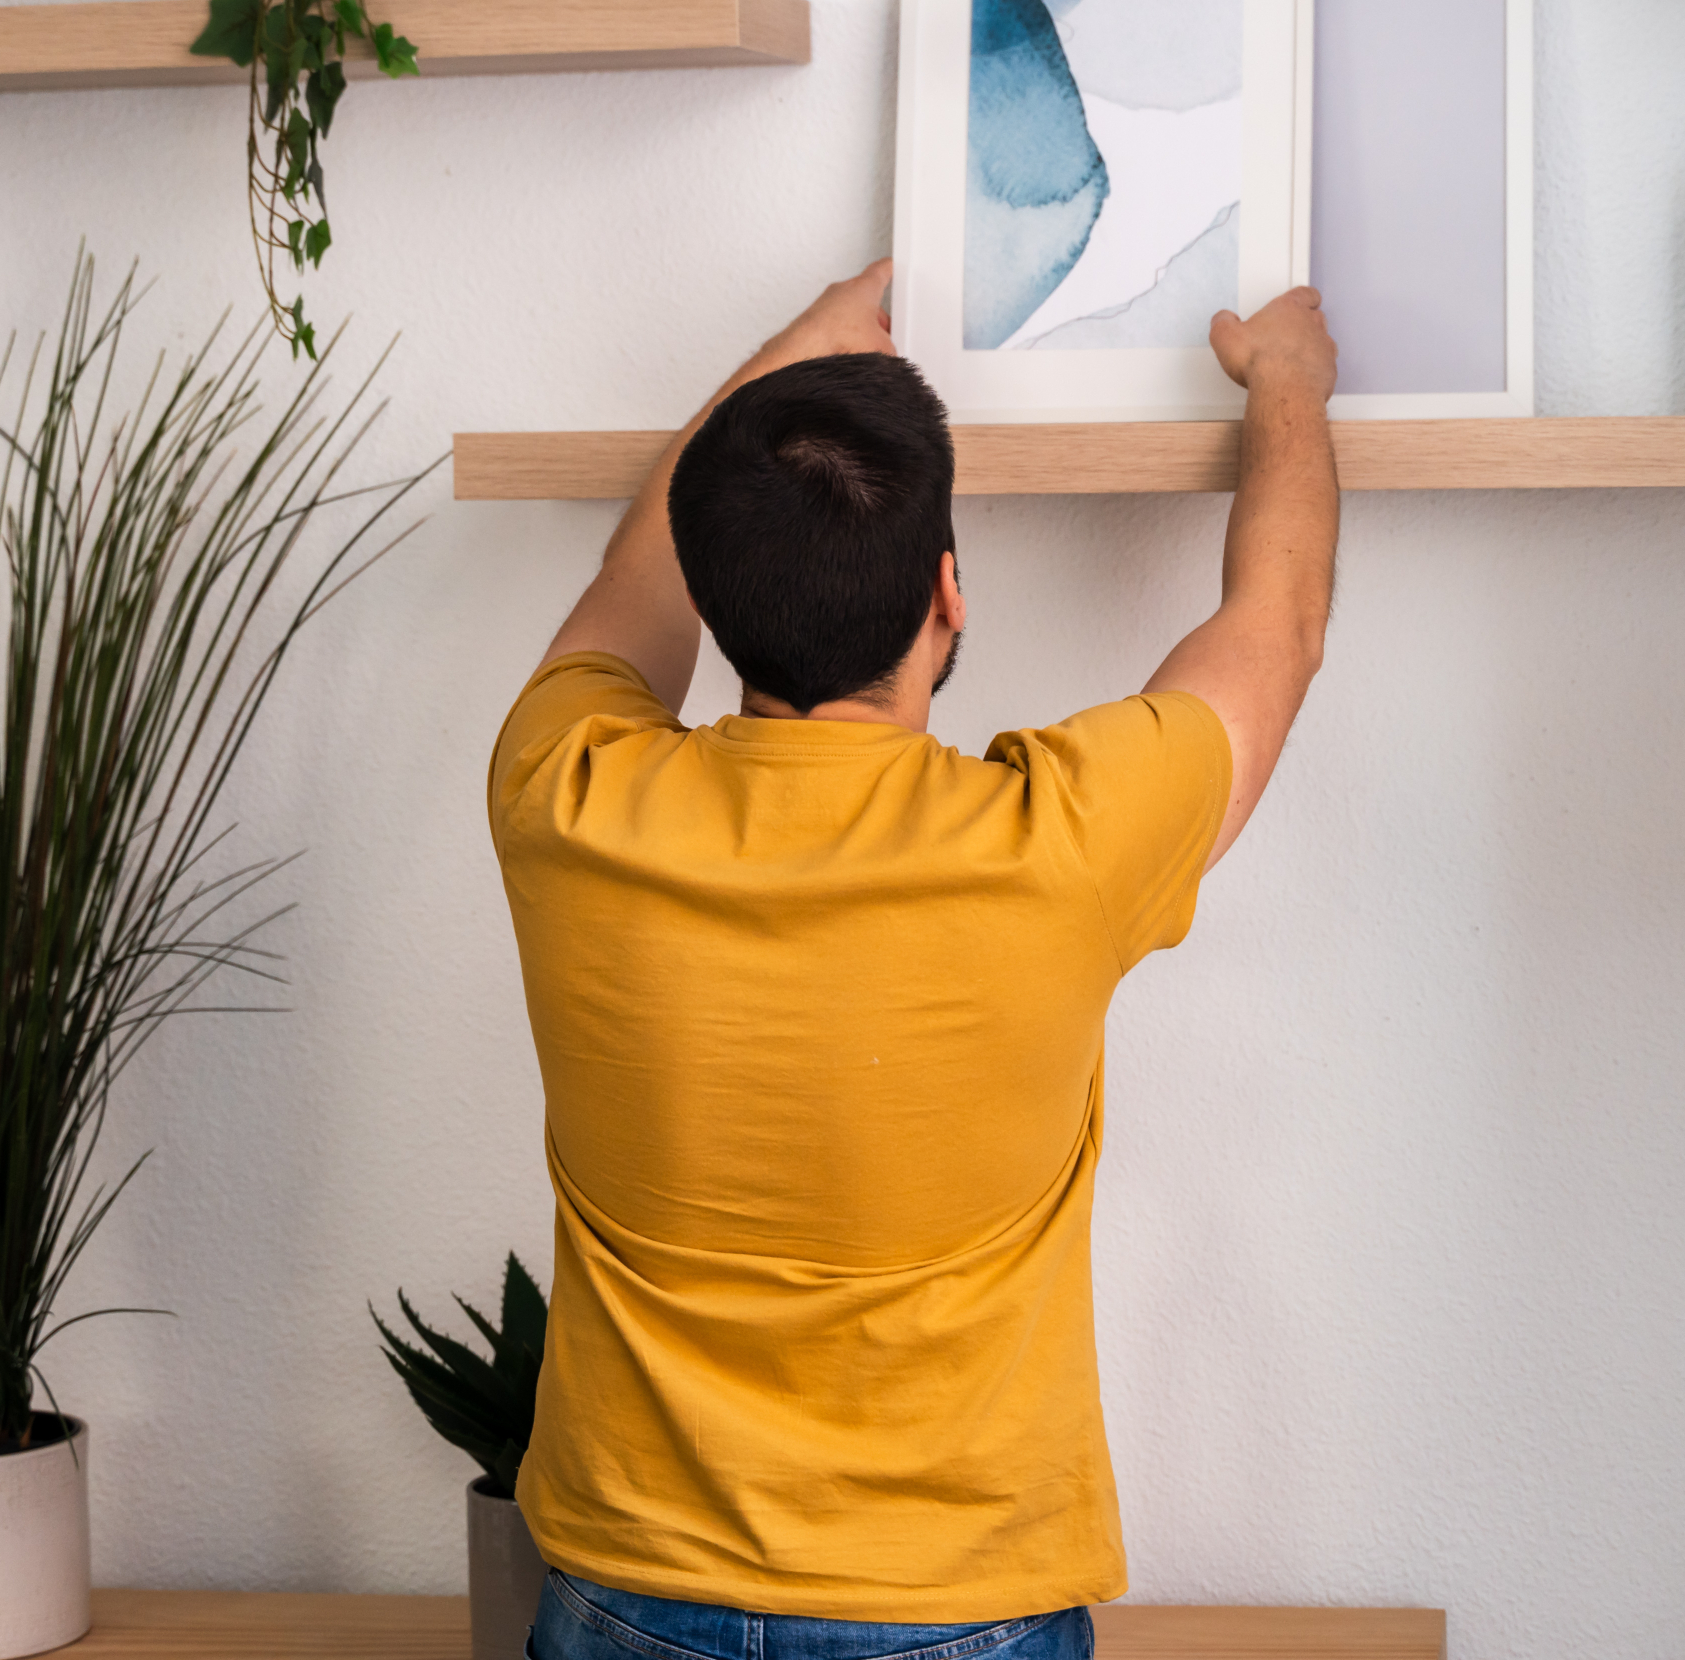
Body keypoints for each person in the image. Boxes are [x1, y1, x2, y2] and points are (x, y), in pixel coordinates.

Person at [489, 260, 1339, 1660]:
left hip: (621, 1597)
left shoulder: (561, 794)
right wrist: (1291, 386)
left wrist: (787, 355)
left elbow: (629, 584)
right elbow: (1277, 630)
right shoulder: (1056, 843)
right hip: (956, 1613)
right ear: (946, 594)